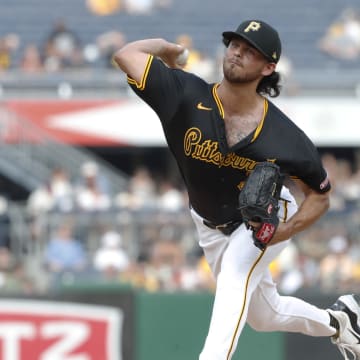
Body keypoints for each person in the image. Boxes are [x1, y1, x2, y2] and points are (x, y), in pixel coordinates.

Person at [112, 19, 360, 360]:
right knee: (263, 315)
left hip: (263, 219)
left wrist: (284, 230)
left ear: (268, 67)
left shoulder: (285, 137)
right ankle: (340, 322)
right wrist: (167, 49)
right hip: (209, 224)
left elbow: (320, 196)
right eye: (234, 46)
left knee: (233, 277)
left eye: (250, 51)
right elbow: (127, 54)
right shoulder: (184, 94)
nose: (237, 54)